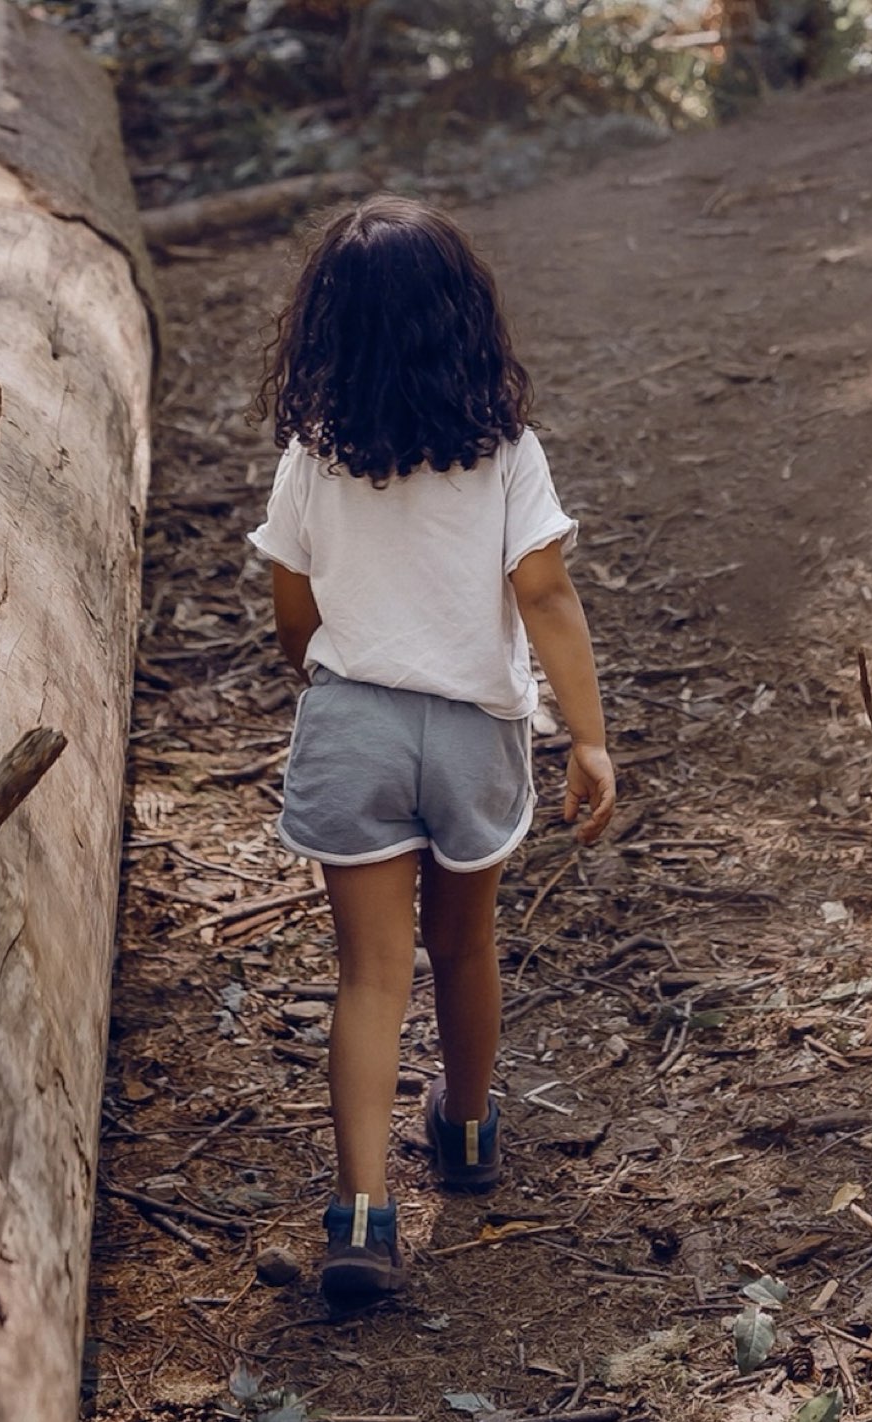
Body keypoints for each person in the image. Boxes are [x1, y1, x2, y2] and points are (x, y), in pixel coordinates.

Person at [248, 194, 615, 1312]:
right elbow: (544, 592)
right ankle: (463, 1131)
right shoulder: (504, 453)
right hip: (472, 734)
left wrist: (341, 660)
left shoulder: (314, 456)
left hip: (354, 723)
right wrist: (589, 738)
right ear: (464, 320)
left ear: (329, 331)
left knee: (369, 974)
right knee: (464, 946)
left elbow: (292, 611)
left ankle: (362, 1213)